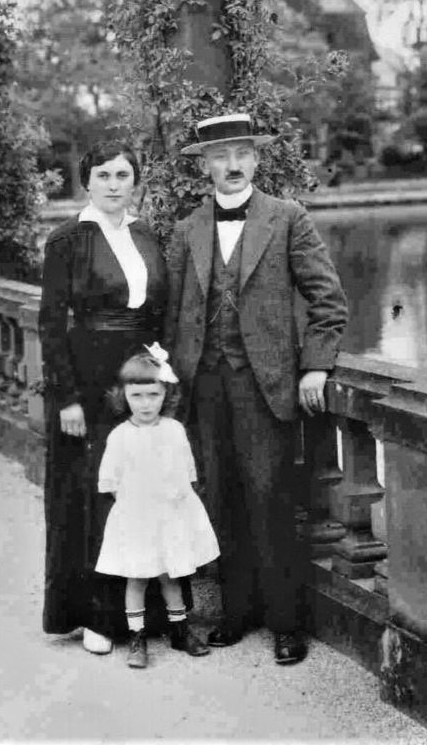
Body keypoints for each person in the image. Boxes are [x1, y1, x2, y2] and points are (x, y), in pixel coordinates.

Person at [164, 113, 348, 665]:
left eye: (242, 153)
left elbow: (328, 302)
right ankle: (237, 613)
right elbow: (171, 316)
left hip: (266, 387)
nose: (233, 165)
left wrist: (316, 366)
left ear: (258, 159)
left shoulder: (288, 218)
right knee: (220, 501)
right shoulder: (185, 230)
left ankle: (286, 625)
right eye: (220, 156)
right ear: (205, 167)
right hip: (204, 389)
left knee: (271, 501)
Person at [38, 140, 191, 656]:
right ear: (86, 181)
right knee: (94, 495)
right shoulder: (67, 240)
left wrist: (159, 369)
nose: (112, 184)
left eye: (122, 174)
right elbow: (51, 325)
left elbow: (157, 309)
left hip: (138, 377)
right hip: (86, 378)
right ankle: (96, 616)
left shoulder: (146, 234)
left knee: (142, 491)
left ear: (135, 181)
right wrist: (66, 399)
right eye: (102, 174)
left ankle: (147, 617)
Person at [95, 345, 219, 669]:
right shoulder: (120, 436)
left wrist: (177, 503)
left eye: (153, 394)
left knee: (170, 576)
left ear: (166, 394)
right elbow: (108, 482)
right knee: (136, 578)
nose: (146, 403)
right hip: (136, 518)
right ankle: (137, 637)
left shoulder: (174, 430)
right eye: (137, 396)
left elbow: (187, 472)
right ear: (124, 396)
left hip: (169, 516)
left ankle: (180, 630)